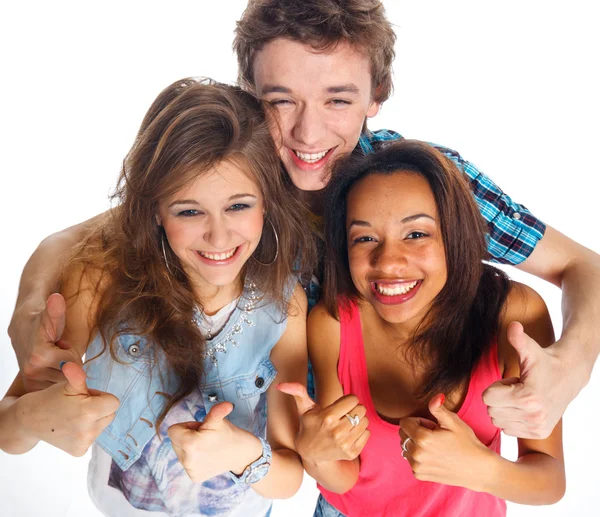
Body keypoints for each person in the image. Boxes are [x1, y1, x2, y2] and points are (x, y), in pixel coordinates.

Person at [8, 0, 600, 442]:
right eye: (280, 100)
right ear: (248, 93)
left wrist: (570, 369)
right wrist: (34, 302)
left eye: (338, 100)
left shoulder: (425, 187)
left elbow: (582, 265)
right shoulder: (236, 180)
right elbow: (90, 232)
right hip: (279, 454)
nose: (308, 135)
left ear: (377, 95)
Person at [0, 78, 315, 516]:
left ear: (267, 202)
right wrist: (33, 417)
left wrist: (241, 454)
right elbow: (8, 430)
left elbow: (290, 477)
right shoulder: (99, 278)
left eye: (239, 206)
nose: (219, 235)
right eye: (189, 211)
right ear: (154, 210)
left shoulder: (286, 306)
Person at [280, 139, 565, 516]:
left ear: (453, 235)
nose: (389, 262)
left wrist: (479, 468)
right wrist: (315, 454)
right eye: (364, 238)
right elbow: (345, 479)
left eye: (416, 234)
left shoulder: (514, 314)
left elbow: (550, 481)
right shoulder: (332, 322)